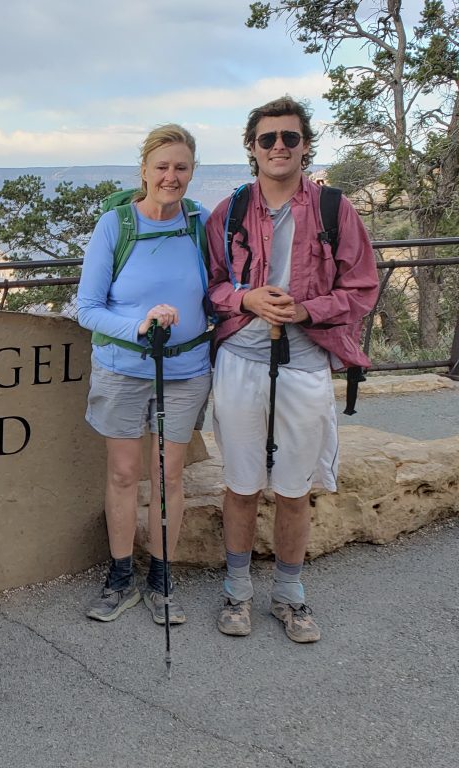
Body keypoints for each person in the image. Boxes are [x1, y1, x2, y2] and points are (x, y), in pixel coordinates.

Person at [205, 96, 377, 643]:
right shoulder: (228, 212)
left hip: (303, 364)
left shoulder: (334, 209)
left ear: (305, 146)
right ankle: (237, 590)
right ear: (251, 148)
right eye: (267, 139)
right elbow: (210, 287)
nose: (279, 147)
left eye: (290, 138)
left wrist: (307, 309)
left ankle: (289, 594)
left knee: (294, 487)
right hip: (239, 360)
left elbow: (362, 288)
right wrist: (245, 299)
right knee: (240, 483)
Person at [76, 124, 212, 625]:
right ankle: (119, 576)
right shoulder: (116, 225)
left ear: (192, 172)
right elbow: (87, 308)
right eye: (162, 167)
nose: (170, 177)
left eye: (180, 167)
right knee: (123, 473)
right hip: (123, 369)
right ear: (144, 171)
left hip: (186, 370)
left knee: (168, 476)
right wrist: (139, 325)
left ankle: (161, 576)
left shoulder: (201, 225)